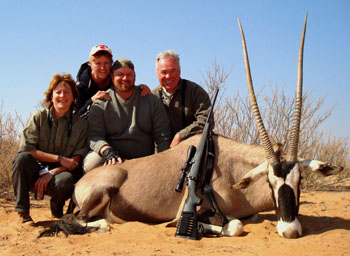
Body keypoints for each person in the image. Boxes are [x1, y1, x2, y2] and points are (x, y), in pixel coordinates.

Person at [12, 73, 88, 224]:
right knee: (21, 160)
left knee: (65, 181)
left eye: (67, 92)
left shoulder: (80, 124)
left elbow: (75, 160)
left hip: (60, 173)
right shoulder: (38, 117)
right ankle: (23, 212)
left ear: (73, 97)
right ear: (51, 96)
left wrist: (51, 173)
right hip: (36, 170)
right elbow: (27, 150)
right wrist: (58, 159)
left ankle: (57, 204)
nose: (62, 96)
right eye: (58, 92)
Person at [83, 58, 171, 172]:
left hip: (145, 160)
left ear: (135, 77)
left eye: (129, 74)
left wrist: (162, 160)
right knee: (92, 163)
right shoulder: (101, 102)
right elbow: (94, 135)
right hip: (113, 160)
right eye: (120, 74)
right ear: (112, 76)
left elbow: (163, 135)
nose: (125, 78)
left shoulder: (151, 100)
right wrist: (107, 151)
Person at [152, 49, 212, 147]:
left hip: (192, 148)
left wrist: (180, 136)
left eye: (173, 71)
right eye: (163, 72)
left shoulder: (195, 91)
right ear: (157, 73)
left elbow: (206, 120)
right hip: (162, 152)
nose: (168, 76)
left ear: (179, 71)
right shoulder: (152, 96)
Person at [76, 44, 150, 119]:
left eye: (106, 63)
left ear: (111, 64)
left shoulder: (116, 80)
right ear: (90, 64)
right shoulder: (80, 88)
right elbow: (76, 120)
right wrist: (91, 101)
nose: (102, 68)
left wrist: (140, 89)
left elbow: (127, 89)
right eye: (98, 63)